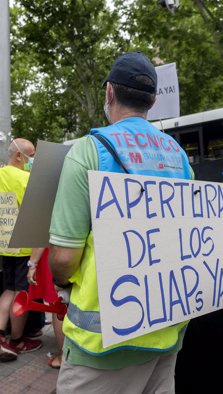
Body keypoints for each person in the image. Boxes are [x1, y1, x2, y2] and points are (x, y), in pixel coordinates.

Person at [49, 51, 193, 394]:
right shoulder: (179, 155)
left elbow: (64, 259)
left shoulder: (88, 150)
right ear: (153, 101)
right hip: (166, 331)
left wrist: (60, 279)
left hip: (100, 347)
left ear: (109, 92)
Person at [0, 138, 42, 361]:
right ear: (19, 156)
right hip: (25, 247)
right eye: (31, 155)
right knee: (21, 293)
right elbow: (37, 216)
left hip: (4, 246)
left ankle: (0, 337)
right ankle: (17, 341)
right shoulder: (26, 179)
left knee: (7, 289)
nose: (33, 160)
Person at [27, 247, 64, 368]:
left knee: (58, 304)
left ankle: (64, 356)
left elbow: (40, 239)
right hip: (75, 253)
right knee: (66, 301)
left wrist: (32, 264)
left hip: (55, 255)